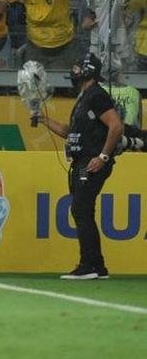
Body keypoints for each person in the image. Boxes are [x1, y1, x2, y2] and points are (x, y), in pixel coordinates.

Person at [36, 53, 123, 279]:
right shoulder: (85, 98)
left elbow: (116, 126)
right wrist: (45, 120)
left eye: (77, 71)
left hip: (91, 161)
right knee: (83, 210)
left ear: (87, 72)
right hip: (82, 161)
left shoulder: (96, 96)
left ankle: (90, 265)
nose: (73, 76)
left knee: (81, 210)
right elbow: (69, 133)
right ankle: (97, 266)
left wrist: (103, 156)